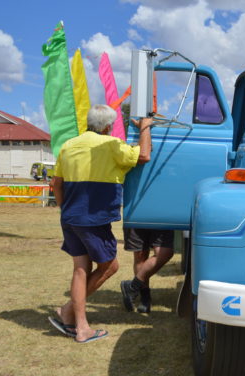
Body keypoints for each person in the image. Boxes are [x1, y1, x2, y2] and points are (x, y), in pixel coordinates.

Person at [48, 104, 152, 343]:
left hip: (71, 216)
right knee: (110, 267)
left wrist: (65, 210)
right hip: (93, 218)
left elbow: (56, 184)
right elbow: (144, 155)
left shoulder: (68, 145)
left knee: (81, 270)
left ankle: (69, 314)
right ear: (107, 127)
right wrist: (146, 127)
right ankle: (79, 324)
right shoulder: (111, 145)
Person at [120, 228, 174, 313]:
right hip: (136, 216)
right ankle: (145, 298)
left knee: (165, 252)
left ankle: (132, 287)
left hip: (164, 216)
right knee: (140, 255)